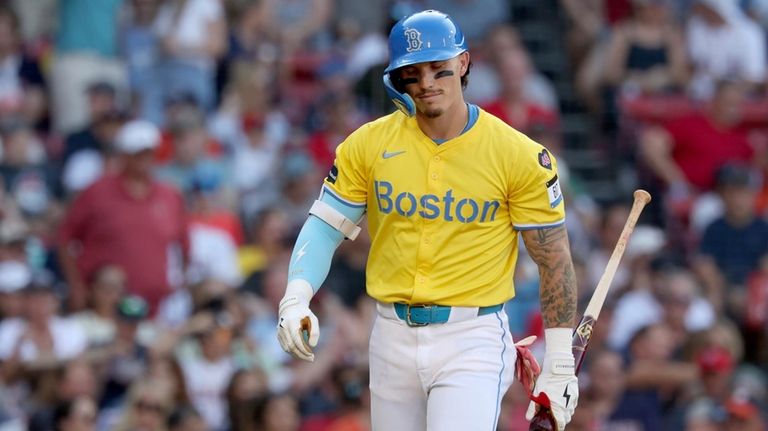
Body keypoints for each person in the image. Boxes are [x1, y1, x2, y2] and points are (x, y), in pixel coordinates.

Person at [275, 9, 579, 431]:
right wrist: (296, 295)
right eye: (413, 73)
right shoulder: (368, 144)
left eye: (440, 69)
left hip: (471, 337)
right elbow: (326, 225)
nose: (428, 83)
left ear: (464, 63)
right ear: (397, 78)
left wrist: (560, 360)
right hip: (390, 332)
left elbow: (554, 259)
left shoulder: (519, 155)